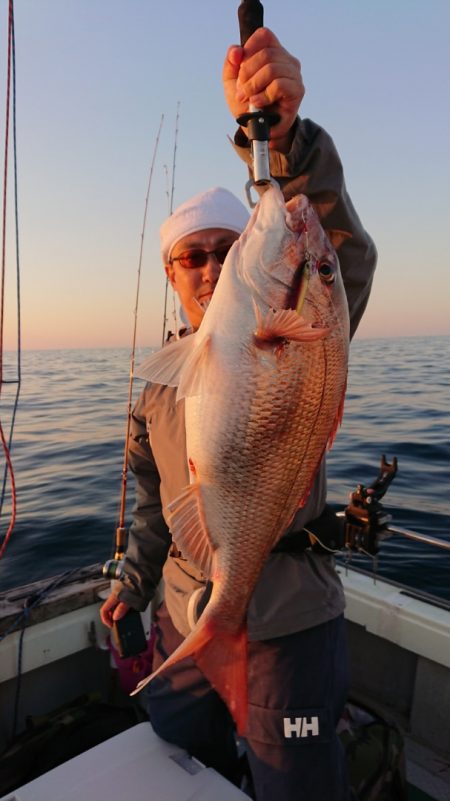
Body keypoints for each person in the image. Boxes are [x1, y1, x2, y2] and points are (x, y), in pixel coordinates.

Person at [101, 27, 377, 801]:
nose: (215, 264)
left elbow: (341, 256)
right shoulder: (158, 385)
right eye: (195, 254)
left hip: (291, 625)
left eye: (230, 246)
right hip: (188, 619)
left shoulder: (301, 323)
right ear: (171, 271)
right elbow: (156, 504)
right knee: (183, 762)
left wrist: (284, 137)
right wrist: (133, 574)